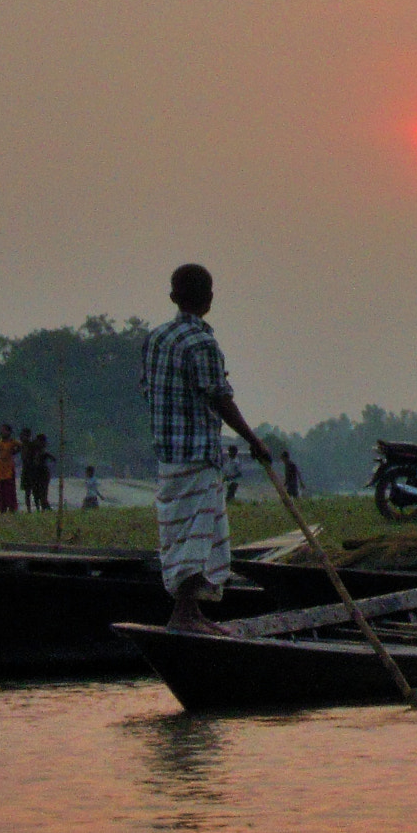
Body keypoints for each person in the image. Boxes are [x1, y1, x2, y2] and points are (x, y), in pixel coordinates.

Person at [140, 263, 272, 634]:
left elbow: (148, 389)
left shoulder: (155, 338)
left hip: (168, 456)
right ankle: (183, 615)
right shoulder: (202, 344)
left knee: (182, 534)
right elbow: (220, 398)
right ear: (209, 300)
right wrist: (253, 440)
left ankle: (193, 614)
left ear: (172, 298)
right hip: (197, 455)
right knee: (197, 538)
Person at [0, 424, 22, 514]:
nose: (2, 432)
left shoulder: (12, 442)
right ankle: (2, 509)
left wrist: (14, 452)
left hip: (9, 469)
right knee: (1, 490)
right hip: (0, 469)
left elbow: (21, 446)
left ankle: (12, 508)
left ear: (9, 432)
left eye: (4, 430)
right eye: (2, 430)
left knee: (10, 490)